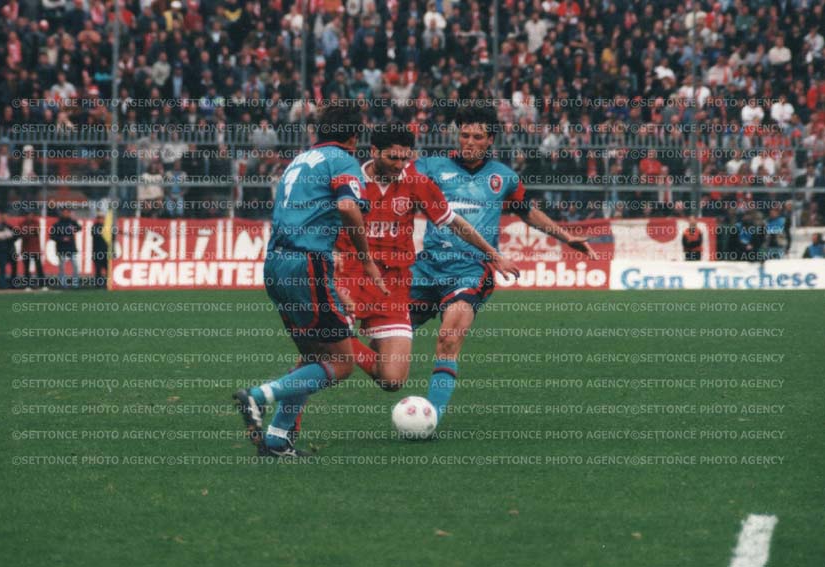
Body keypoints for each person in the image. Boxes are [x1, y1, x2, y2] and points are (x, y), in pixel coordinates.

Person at [409, 102, 597, 424]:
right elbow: (393, 185)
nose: (469, 142)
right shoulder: (430, 167)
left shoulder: (503, 177)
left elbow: (527, 211)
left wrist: (566, 237)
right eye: (464, 135)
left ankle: (431, 417)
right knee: (385, 338)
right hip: (426, 268)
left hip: (471, 270)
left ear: (490, 140)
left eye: (477, 137)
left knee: (449, 339)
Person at [233, 101, 387, 458]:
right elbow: (348, 207)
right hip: (307, 264)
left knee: (313, 356)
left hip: (276, 263)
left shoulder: (298, 161)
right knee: (342, 363)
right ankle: (259, 396)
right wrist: (366, 261)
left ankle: (277, 440)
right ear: (355, 135)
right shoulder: (343, 160)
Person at [334, 122, 519, 391]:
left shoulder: (416, 182)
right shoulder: (350, 180)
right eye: (393, 158)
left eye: (405, 158)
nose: (400, 165)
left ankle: (330, 343)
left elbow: (453, 221)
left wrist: (493, 254)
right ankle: (316, 358)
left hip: (393, 284)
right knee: (332, 357)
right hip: (350, 274)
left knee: (392, 379)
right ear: (374, 151)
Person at [49, 208, 81, 288]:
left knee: (75, 266)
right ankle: (63, 284)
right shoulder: (57, 224)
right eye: (64, 212)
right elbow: (52, 236)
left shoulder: (72, 222)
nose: (66, 214)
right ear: (62, 213)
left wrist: (74, 220)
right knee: (62, 267)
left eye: (67, 212)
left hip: (71, 248)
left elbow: (79, 228)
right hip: (61, 248)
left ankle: (75, 284)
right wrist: (62, 239)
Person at [19, 210, 45, 289]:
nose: (29, 216)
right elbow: (23, 233)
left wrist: (28, 231)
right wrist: (31, 231)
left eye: (31, 215)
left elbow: (36, 231)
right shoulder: (22, 223)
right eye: (28, 215)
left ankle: (42, 284)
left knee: (39, 267)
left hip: (35, 249)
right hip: (26, 249)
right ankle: (27, 285)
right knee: (26, 268)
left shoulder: (36, 222)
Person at [91, 211, 109, 287]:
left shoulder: (107, 227)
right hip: (97, 252)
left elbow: (112, 238)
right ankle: (98, 284)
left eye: (102, 218)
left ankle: (108, 284)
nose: (101, 220)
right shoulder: (94, 227)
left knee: (108, 269)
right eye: (99, 218)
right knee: (98, 269)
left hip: (106, 252)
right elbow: (96, 235)